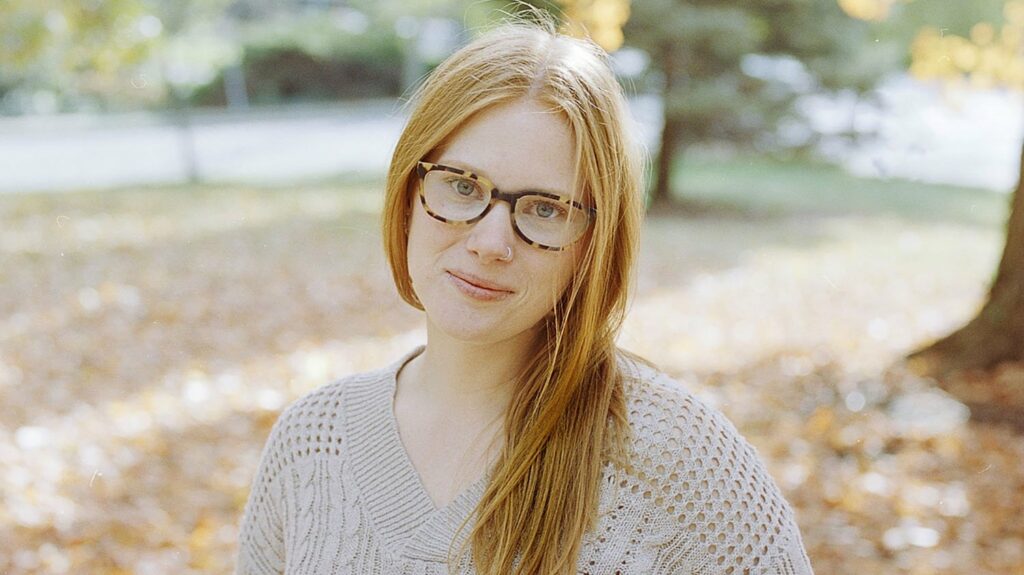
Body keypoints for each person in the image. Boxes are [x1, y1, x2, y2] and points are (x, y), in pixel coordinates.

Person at [235, 17, 813, 575]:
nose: (491, 243)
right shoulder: (311, 442)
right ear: (408, 192)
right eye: (462, 186)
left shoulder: (679, 461)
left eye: (545, 209)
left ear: (595, 242)